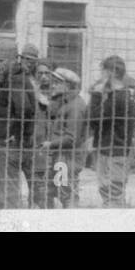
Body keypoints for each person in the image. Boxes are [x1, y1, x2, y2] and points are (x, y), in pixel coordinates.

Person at [0, 43, 43, 208]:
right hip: (21, 141)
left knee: (10, 188)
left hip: (13, 144)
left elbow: (24, 110)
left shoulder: (15, 78)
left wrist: (12, 134)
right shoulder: (14, 76)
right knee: (27, 182)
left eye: (2, 61)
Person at [89, 54, 135, 207]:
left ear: (111, 73)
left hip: (113, 153)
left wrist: (96, 94)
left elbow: (93, 118)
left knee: (113, 197)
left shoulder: (118, 98)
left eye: (103, 72)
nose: (100, 76)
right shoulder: (120, 96)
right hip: (112, 151)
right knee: (111, 196)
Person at [36, 67, 87, 209]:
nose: (53, 85)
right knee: (49, 190)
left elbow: (71, 138)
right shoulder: (65, 102)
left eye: (57, 82)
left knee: (66, 193)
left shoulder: (75, 107)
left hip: (67, 158)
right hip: (60, 156)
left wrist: (50, 144)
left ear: (68, 85)